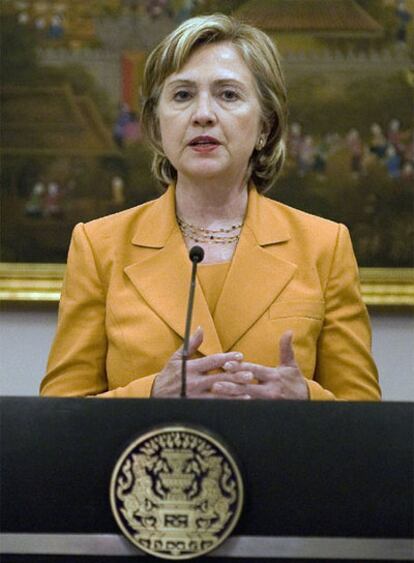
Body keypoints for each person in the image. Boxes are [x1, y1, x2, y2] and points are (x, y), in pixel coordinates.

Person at [40, 14, 380, 401]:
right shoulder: (99, 246)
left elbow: (365, 416)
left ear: (265, 126)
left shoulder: (325, 246)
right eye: (182, 95)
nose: (203, 114)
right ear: (156, 125)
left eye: (228, 94)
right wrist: (150, 394)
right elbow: (59, 416)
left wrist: (306, 400)